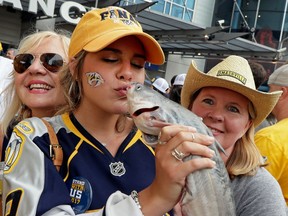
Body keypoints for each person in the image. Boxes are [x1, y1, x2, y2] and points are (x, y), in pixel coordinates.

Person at [3, 7, 216, 215]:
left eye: (138, 64)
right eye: (110, 59)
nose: (127, 73)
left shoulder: (162, 141)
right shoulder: (37, 137)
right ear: (76, 68)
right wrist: (155, 198)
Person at [181, 55, 287, 215]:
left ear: (247, 125)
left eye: (233, 109)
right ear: (190, 107)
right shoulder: (155, 157)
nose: (216, 115)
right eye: (208, 101)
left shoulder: (258, 190)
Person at [0, 30, 70, 159]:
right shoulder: (7, 132)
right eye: (24, 61)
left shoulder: (91, 140)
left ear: (75, 75)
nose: (34, 68)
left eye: (53, 62)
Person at [255, 64, 288, 205]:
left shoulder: (270, 139)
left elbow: (248, 195)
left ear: (283, 93)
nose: (268, 94)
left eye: (270, 90)